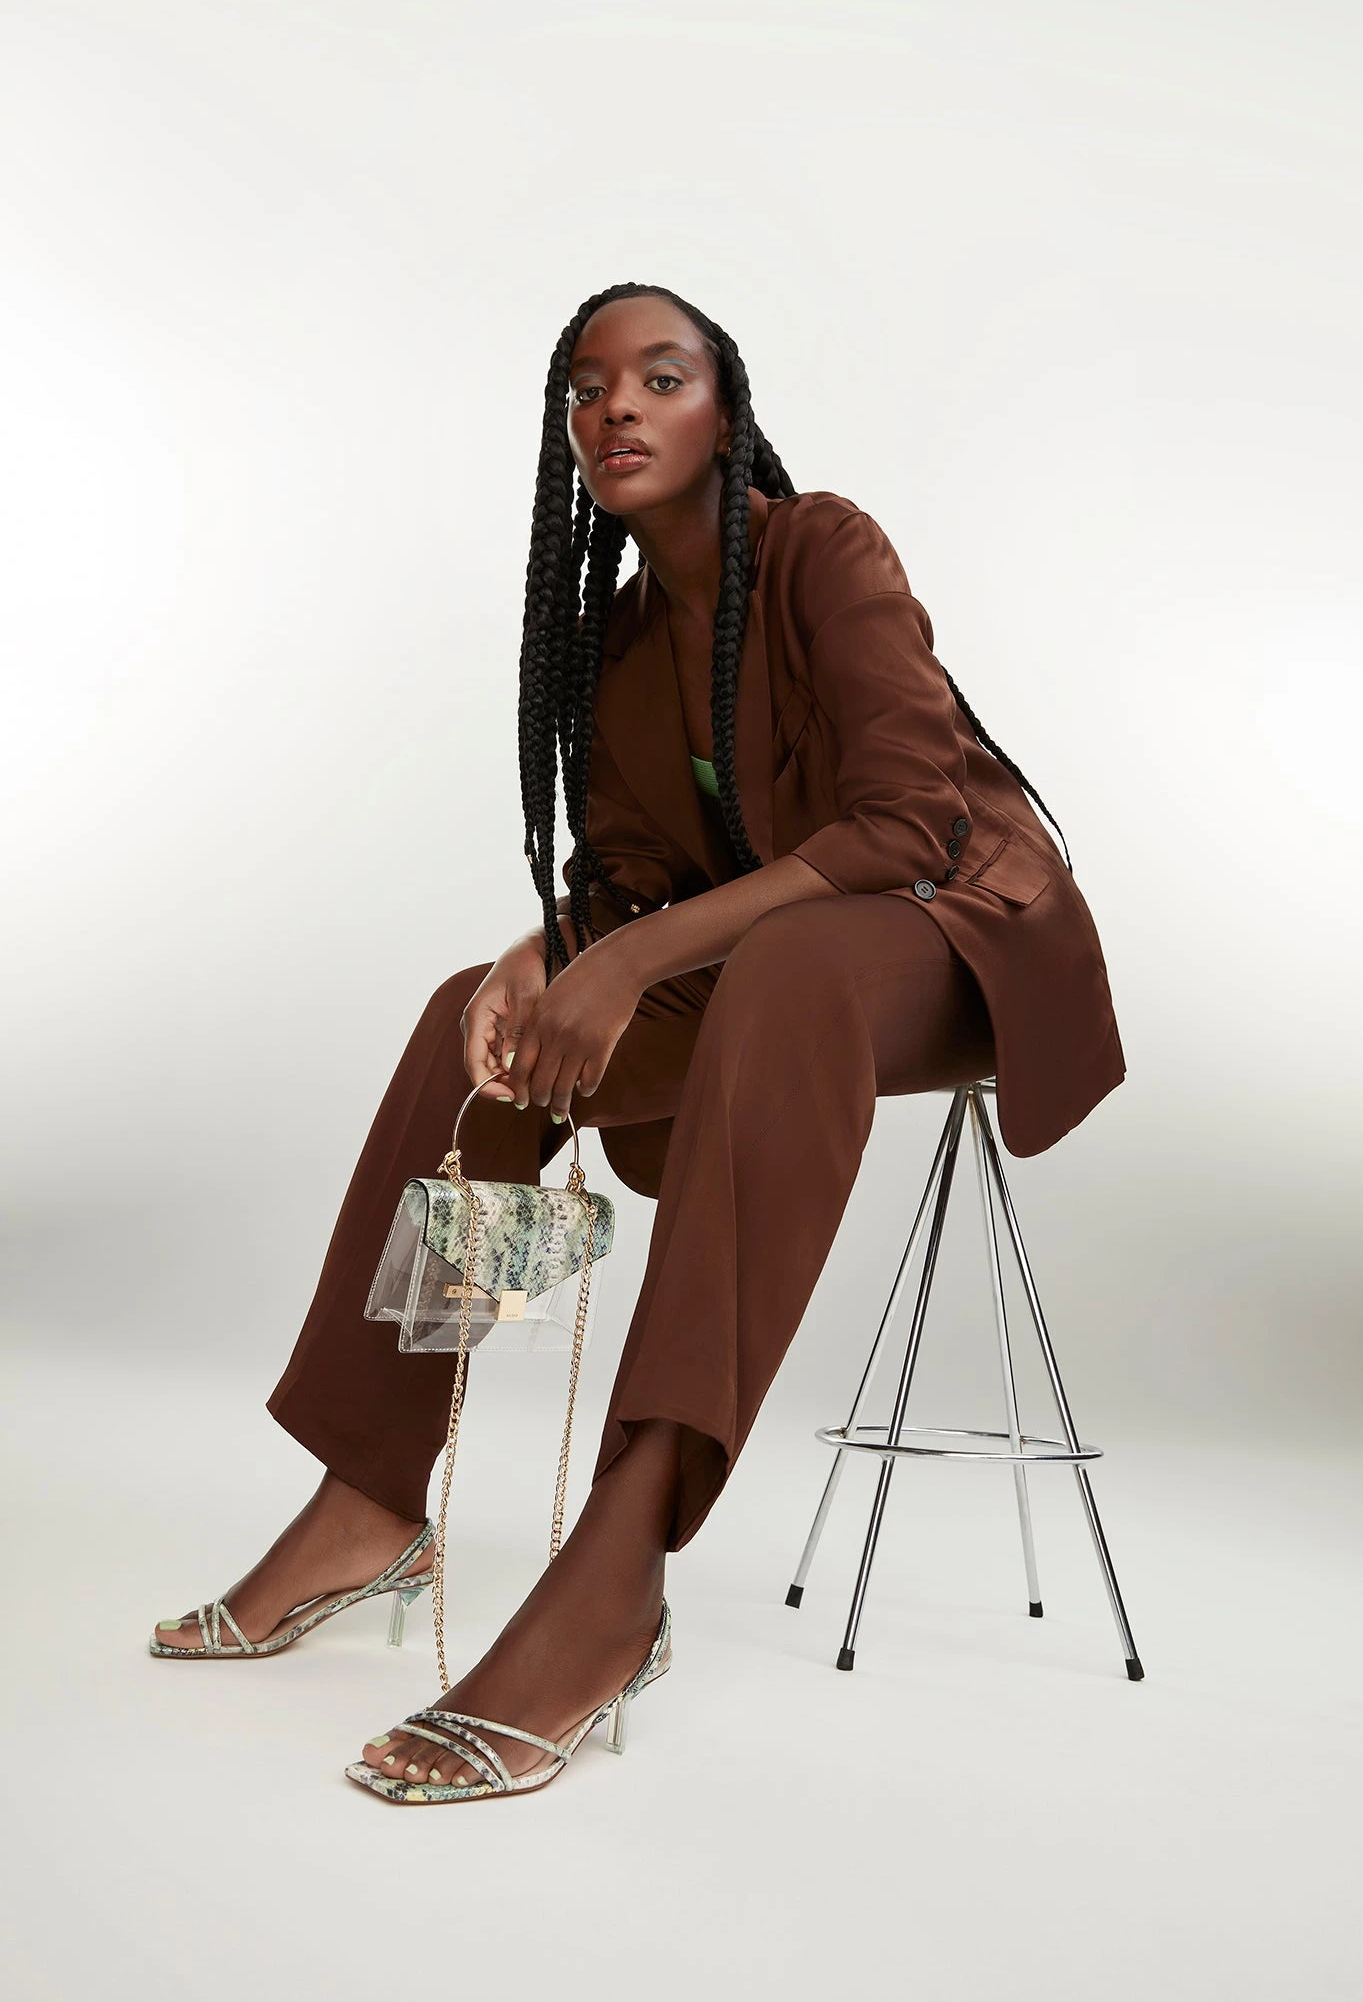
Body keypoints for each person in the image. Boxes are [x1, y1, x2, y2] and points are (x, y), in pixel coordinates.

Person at [149, 282, 1125, 1803]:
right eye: (587, 387)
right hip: (781, 975)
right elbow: (630, 887)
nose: (616, 406)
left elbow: (902, 825)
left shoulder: (824, 548)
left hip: (963, 936)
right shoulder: (613, 644)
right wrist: (548, 954)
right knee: (469, 1022)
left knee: (788, 963)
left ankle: (619, 1571)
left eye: (660, 378)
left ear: (724, 417)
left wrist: (629, 959)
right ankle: (372, 1491)